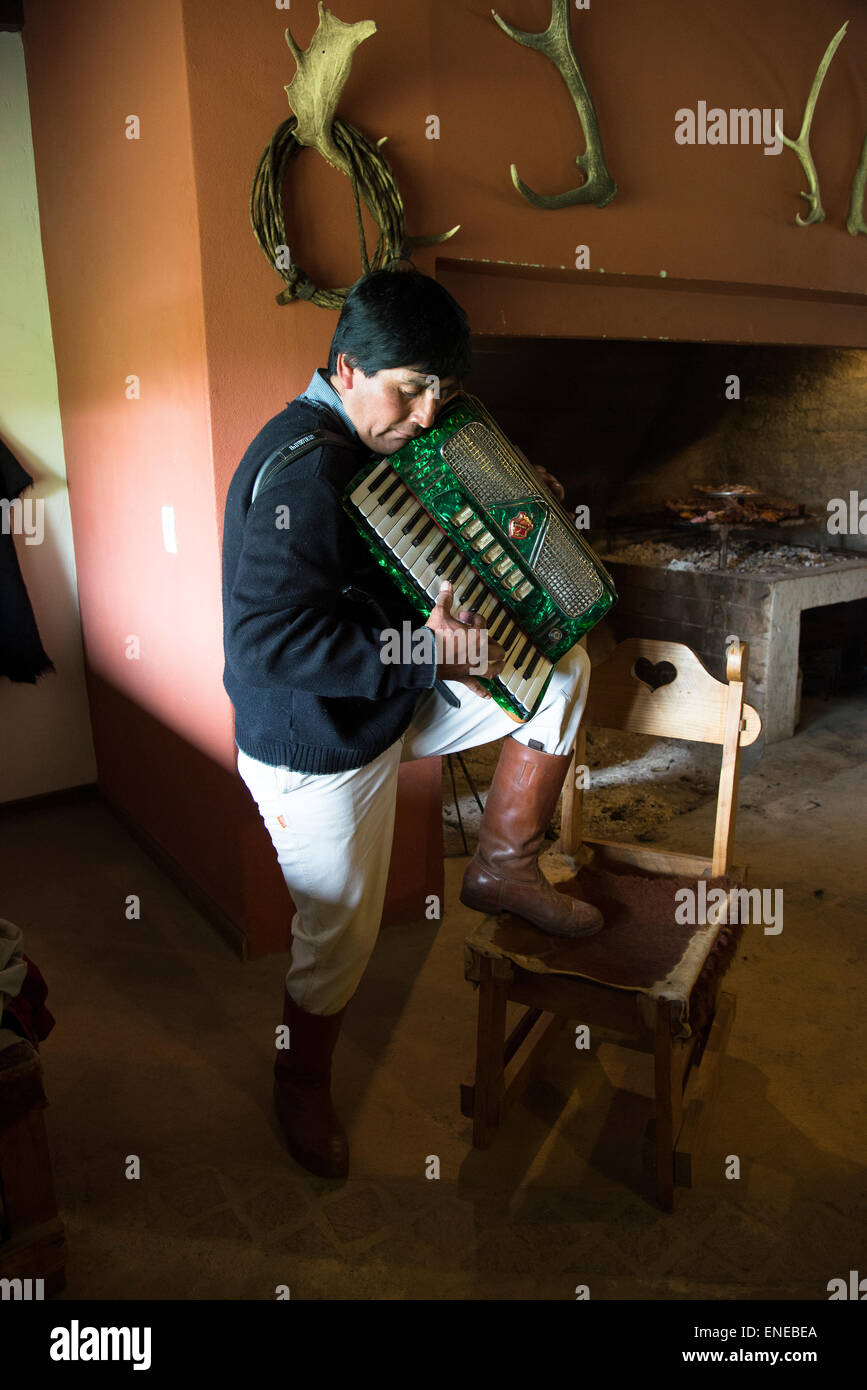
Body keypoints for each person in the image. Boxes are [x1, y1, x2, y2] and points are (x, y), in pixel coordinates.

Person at [221, 268, 602, 1180]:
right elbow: (265, 647)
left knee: (561, 670)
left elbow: (415, 539)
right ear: (346, 368)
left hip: (388, 701)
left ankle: (503, 868)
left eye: (443, 389)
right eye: (411, 388)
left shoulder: (370, 439)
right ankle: (300, 1079)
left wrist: (512, 503)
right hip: (317, 745)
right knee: (338, 939)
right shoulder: (304, 469)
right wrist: (426, 655)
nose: (429, 414)